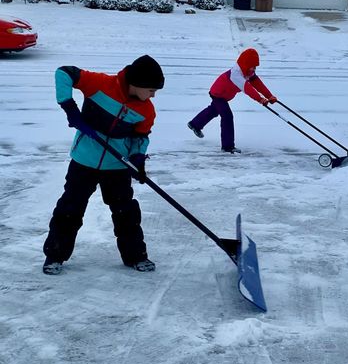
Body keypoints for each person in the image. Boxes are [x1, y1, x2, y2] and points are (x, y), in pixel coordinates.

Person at [42, 55, 164, 275]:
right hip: (84, 160)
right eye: (151, 90)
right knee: (70, 208)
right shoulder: (100, 85)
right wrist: (70, 107)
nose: (153, 95)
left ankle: (135, 256)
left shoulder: (146, 110)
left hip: (116, 165)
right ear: (137, 84)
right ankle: (55, 255)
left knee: (125, 211)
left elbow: (140, 137)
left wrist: (137, 159)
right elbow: (64, 72)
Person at [187, 48, 276, 153]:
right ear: (246, 64)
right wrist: (260, 99)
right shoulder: (236, 74)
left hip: (224, 95)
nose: (254, 69)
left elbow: (257, 84)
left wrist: (269, 96)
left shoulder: (248, 72)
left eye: (255, 66)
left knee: (214, 110)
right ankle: (227, 146)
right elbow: (247, 88)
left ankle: (195, 124)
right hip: (218, 94)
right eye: (253, 66)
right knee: (227, 116)